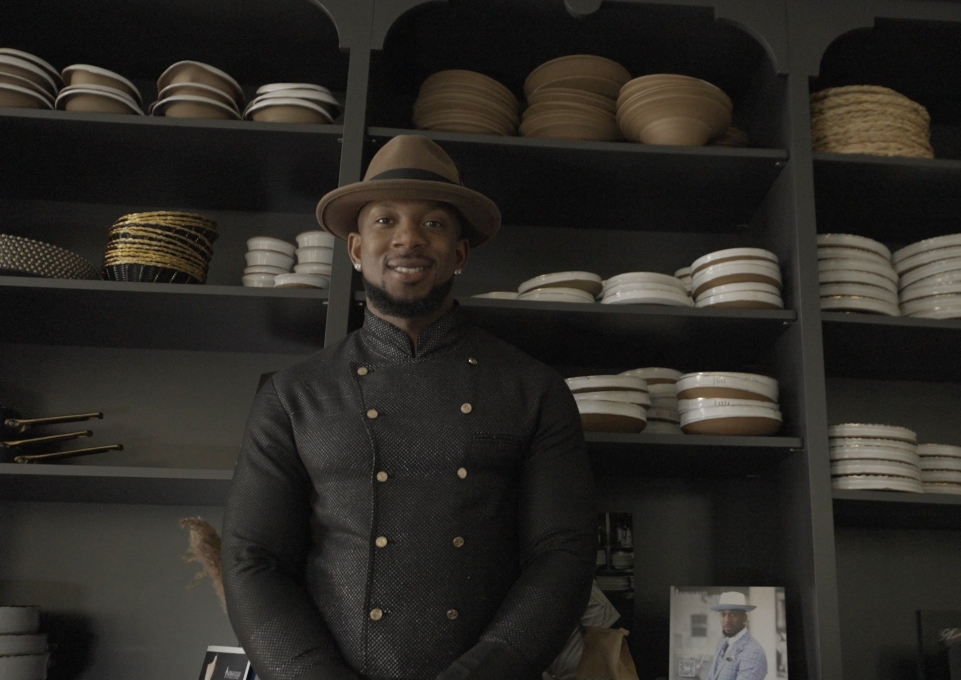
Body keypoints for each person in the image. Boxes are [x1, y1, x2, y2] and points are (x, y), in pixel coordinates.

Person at [220, 135, 597, 680]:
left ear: (460, 253)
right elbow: (251, 558)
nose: (408, 239)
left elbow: (562, 555)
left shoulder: (532, 388)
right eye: (385, 221)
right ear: (354, 249)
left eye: (435, 224)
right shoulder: (293, 393)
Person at [705, 592, 768, 680]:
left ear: (744, 618)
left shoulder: (754, 652)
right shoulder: (722, 645)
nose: (726, 620)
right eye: (723, 615)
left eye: (733, 614)